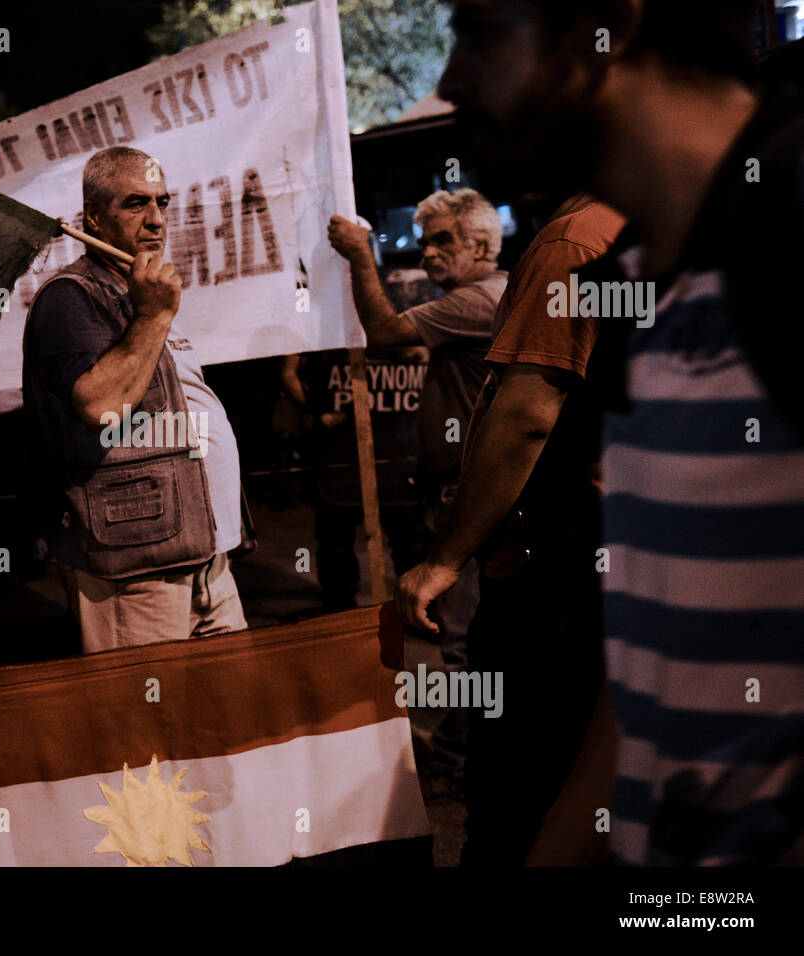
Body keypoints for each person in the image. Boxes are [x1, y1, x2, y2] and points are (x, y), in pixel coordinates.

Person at [439, 0, 804, 865]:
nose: (453, 79)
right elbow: (654, 665)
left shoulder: (788, 228)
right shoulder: (638, 287)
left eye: (482, 31)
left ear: (607, 25)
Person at [395, 193, 626, 864]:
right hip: (636, 563)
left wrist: (445, 557)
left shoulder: (572, 242)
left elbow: (527, 411)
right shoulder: (673, 223)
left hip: (554, 570)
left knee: (517, 803)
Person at [22, 146, 254, 653]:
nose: (155, 220)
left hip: (203, 554)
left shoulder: (141, 288)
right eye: (134, 204)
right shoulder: (70, 296)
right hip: (138, 560)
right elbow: (101, 408)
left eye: (162, 202)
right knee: (148, 720)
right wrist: (151, 317)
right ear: (94, 219)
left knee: (226, 712)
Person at [329, 189, 508, 784]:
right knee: (469, 637)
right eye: (424, 239)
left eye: (443, 241)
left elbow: (383, 330)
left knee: (460, 644)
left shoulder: (476, 301)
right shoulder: (485, 297)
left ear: (481, 245)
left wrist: (359, 257)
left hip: (470, 497)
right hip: (465, 492)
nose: (428, 251)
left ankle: (459, 769)